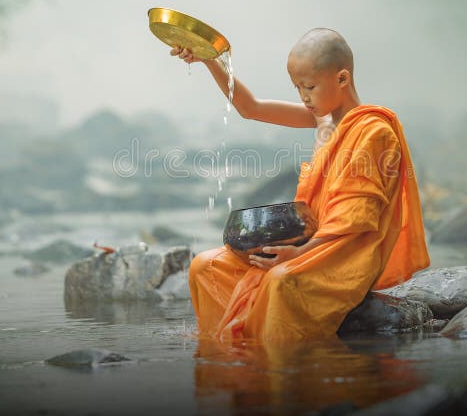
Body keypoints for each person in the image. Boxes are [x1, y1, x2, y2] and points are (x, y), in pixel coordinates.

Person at [171, 28, 429, 340]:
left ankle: (275, 368)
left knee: (280, 280)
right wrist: (209, 60)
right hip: (304, 246)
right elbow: (249, 108)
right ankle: (231, 365)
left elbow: (355, 220)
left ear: (342, 79)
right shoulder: (322, 120)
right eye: (297, 88)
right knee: (205, 266)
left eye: (309, 86)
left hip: (343, 254)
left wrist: (301, 253)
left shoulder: (374, 131)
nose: (303, 97)